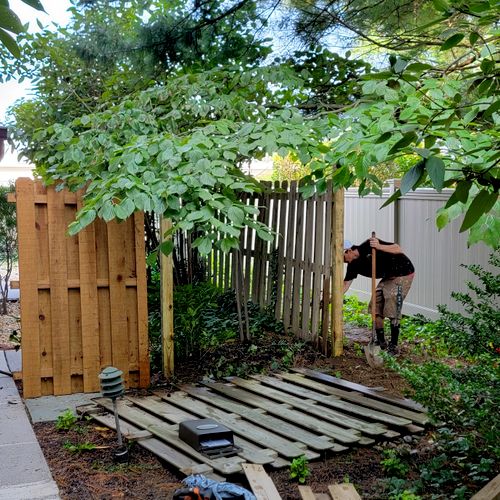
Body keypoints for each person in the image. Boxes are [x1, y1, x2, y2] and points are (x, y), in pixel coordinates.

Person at [343, 235, 415, 354]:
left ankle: (393, 346)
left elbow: (397, 248)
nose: (343, 261)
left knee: (392, 306)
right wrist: (333, 297)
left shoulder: (369, 245)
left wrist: (379, 246)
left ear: (349, 250)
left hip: (403, 272)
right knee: (375, 306)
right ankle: (380, 342)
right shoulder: (352, 265)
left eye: (343, 257)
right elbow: (345, 284)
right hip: (388, 276)